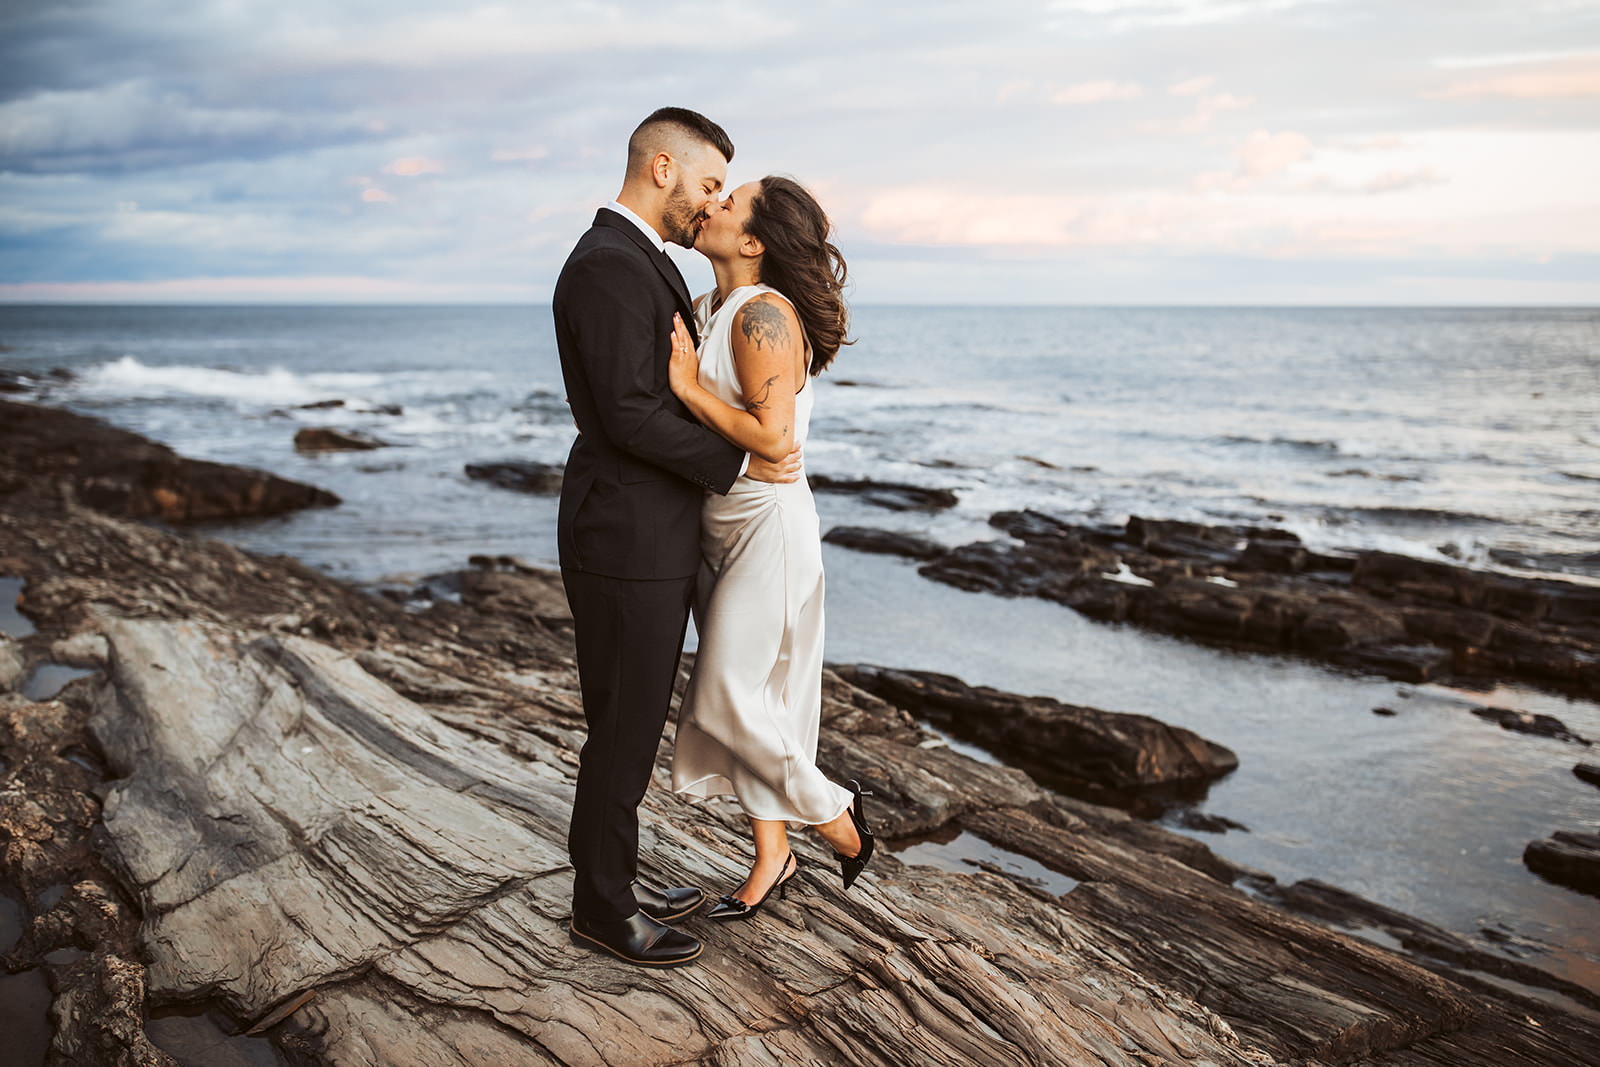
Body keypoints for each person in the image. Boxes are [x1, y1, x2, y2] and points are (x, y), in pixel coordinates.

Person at [552, 108, 803, 969]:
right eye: (704, 184)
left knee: (625, 720)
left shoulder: (635, 263)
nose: (708, 204)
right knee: (621, 729)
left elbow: (660, 397)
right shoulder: (610, 267)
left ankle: (609, 879)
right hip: (625, 537)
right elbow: (628, 413)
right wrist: (737, 462)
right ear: (661, 168)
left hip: (646, 531)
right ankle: (602, 909)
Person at [665, 175, 874, 923]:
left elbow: (775, 439)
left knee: (724, 692)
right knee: (763, 700)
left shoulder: (764, 317)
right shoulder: (707, 307)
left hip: (768, 530)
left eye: (729, 202)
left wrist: (690, 391)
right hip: (717, 526)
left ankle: (841, 822)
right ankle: (772, 855)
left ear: (753, 240)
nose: (711, 204)